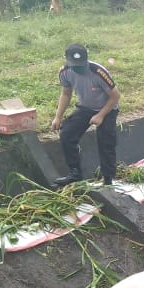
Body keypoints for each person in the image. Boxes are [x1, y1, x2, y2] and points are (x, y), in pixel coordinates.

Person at [51, 43, 121, 187]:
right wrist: (58, 117)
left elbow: (115, 96)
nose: (79, 69)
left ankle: (108, 179)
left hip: (107, 108)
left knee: (106, 141)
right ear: (67, 61)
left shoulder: (98, 72)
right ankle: (75, 173)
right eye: (75, 66)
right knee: (67, 134)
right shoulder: (65, 72)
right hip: (86, 108)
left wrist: (101, 115)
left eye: (81, 66)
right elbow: (66, 93)